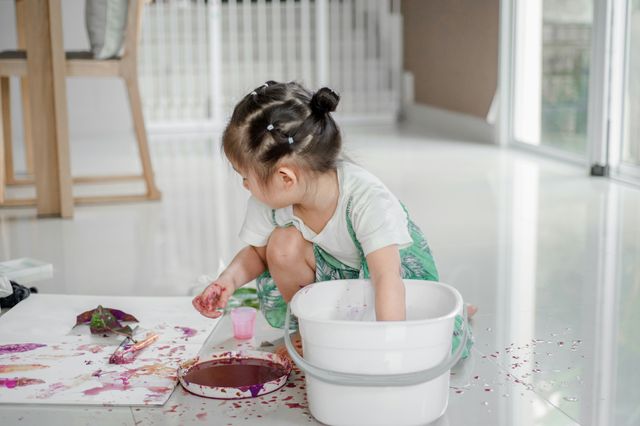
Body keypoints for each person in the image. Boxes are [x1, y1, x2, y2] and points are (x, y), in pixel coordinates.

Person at [192, 81, 473, 356]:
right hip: (337, 280)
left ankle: (459, 313)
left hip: (390, 280)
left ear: (285, 178)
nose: (245, 186)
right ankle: (312, 329)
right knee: (280, 245)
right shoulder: (270, 200)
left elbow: (387, 277)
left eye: (245, 178)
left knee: (425, 340)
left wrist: (389, 345)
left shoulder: (366, 199)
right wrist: (227, 280)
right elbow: (257, 254)